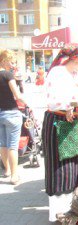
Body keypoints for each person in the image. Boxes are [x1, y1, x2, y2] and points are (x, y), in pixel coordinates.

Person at [42, 43, 78, 222]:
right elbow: (57, 99)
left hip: (70, 123)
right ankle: (59, 212)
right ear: (77, 59)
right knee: (59, 167)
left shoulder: (75, 74)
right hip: (57, 122)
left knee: (72, 165)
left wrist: (75, 99)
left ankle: (72, 209)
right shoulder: (58, 72)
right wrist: (72, 101)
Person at [0, 49, 28, 185]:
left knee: (3, 144)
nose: (12, 64)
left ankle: (6, 171)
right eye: (11, 61)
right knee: (12, 145)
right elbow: (17, 95)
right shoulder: (7, 75)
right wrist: (27, 102)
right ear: (3, 60)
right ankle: (14, 175)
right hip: (11, 112)